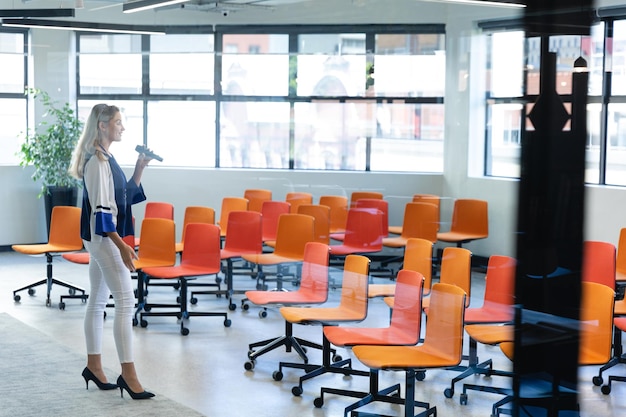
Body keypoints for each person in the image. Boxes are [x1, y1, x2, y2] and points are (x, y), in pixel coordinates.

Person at [69, 104, 154, 400]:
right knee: (126, 300)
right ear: (103, 125)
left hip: (102, 238)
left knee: (98, 299)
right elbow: (103, 216)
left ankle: (94, 365)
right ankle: (128, 375)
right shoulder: (98, 162)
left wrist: (139, 169)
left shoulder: (106, 158)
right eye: (118, 122)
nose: (123, 127)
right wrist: (123, 246)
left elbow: (121, 199)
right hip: (105, 239)